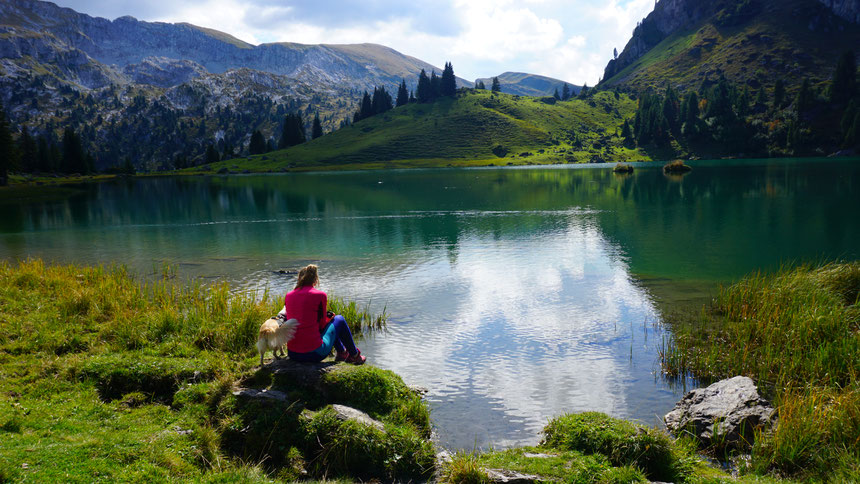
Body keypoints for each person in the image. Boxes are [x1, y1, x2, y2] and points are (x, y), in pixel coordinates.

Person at [284, 264, 365, 364]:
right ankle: (355, 355)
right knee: (339, 319)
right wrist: (328, 319)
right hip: (314, 354)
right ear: (315, 279)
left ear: (299, 279)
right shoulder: (320, 295)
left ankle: (342, 352)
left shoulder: (289, 295)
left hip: (293, 353)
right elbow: (322, 324)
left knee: (331, 324)